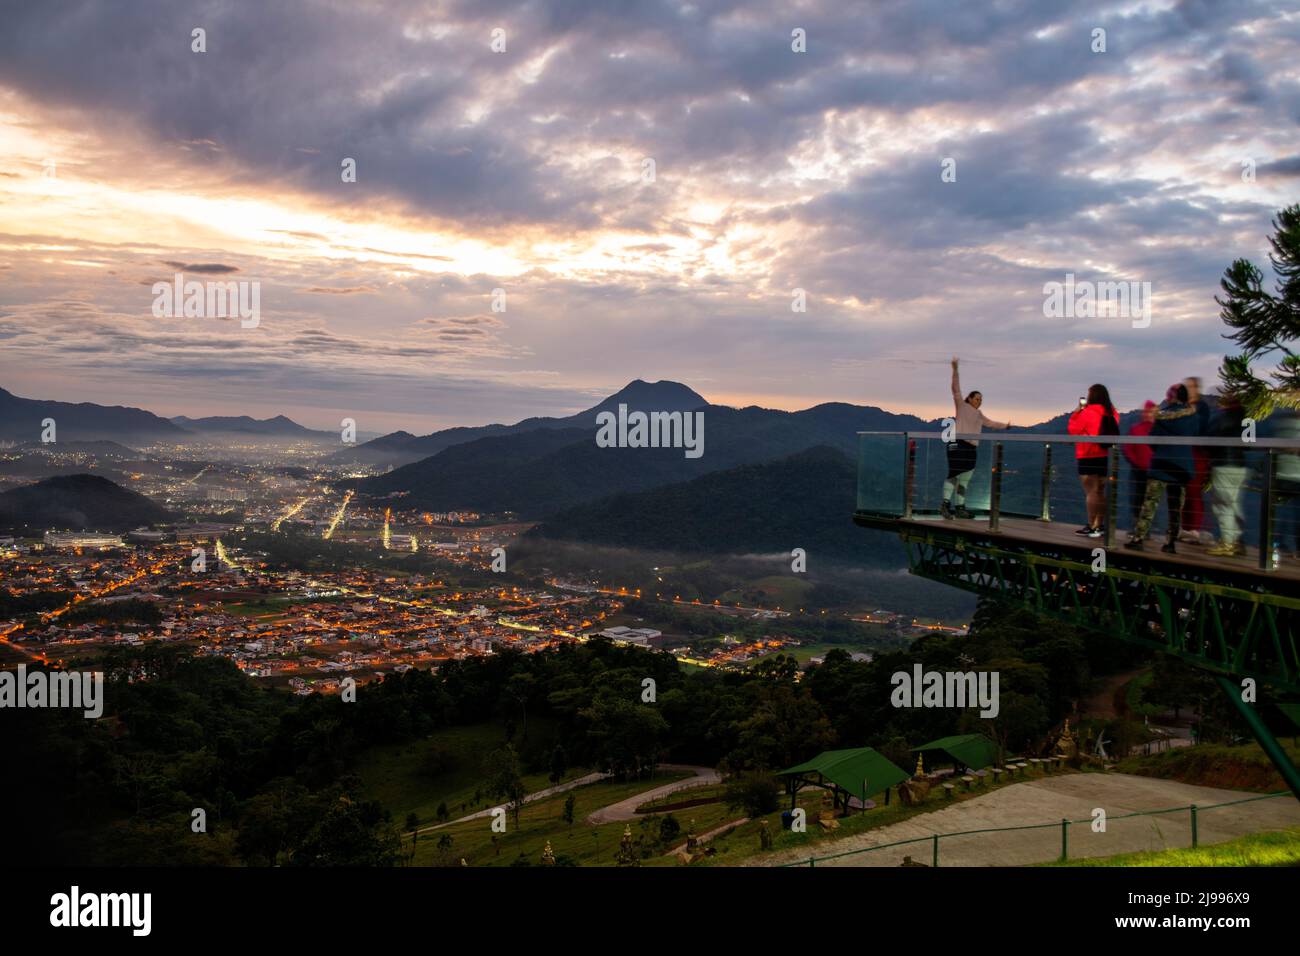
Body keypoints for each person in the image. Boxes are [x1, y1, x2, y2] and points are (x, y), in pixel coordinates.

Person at [1125, 384, 1200, 553]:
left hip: (1160, 463)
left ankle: (1138, 538)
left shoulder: (1162, 416)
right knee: (1175, 507)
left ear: (1171, 397)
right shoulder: (1194, 417)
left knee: (1150, 503)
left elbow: (1152, 439)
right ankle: (1170, 542)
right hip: (1182, 466)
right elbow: (1196, 435)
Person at [942, 357, 1011, 519]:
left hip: (971, 448)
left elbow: (991, 423)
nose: (979, 402)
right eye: (977, 399)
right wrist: (955, 370)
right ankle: (945, 505)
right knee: (953, 474)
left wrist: (1005, 426)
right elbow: (955, 389)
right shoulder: (962, 405)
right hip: (957, 444)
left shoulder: (979, 415)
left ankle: (959, 507)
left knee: (965, 479)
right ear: (970, 398)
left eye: (981, 400)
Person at [1067, 384, 1120, 537]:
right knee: (1100, 491)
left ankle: (1091, 525)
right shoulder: (1113, 413)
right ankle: (1099, 524)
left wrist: (1076, 413)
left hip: (1088, 455)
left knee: (1091, 492)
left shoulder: (1087, 412)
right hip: (1105, 456)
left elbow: (1073, 430)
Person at [1206, 392, 1247, 557]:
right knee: (1234, 503)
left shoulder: (1221, 417)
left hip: (1223, 463)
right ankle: (1237, 541)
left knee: (1222, 505)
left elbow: (1209, 438)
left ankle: (1227, 544)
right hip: (1240, 465)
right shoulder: (1248, 418)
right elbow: (1248, 443)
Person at [1179, 376, 1213, 544]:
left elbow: (1199, 427)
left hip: (1197, 453)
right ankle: (1185, 528)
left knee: (1193, 491)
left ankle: (1195, 529)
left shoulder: (1201, 407)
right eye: (1187, 386)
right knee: (1184, 493)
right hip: (1184, 453)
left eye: (1191, 386)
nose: (1189, 389)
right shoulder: (1183, 406)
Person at [1123, 401, 1157, 526]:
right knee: (1136, 500)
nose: (1148, 415)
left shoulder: (1159, 429)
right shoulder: (1135, 428)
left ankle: (1147, 530)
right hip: (1137, 470)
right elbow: (1127, 448)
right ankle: (1137, 528)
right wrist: (1135, 462)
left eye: (1151, 412)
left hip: (1154, 471)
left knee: (1151, 501)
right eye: (1147, 412)